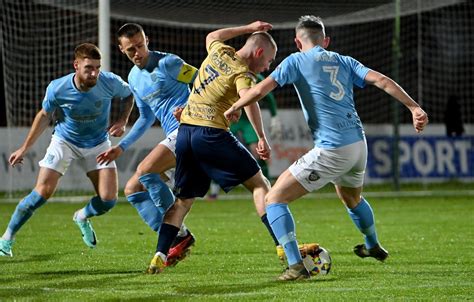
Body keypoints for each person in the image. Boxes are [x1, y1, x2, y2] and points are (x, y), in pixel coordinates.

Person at [224, 15, 429, 281]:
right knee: (352, 198)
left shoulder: (295, 61)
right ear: (326, 41)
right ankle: (372, 244)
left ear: (298, 42)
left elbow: (260, 90)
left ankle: (296, 267)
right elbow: (382, 80)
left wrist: (233, 107)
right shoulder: (344, 60)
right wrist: (414, 107)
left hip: (332, 149)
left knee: (273, 199)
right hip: (358, 145)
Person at [145, 21, 318, 274]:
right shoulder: (243, 73)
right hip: (211, 134)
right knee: (260, 185)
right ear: (259, 53)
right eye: (269, 61)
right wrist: (261, 136)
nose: (267, 66)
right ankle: (282, 246)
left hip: (185, 133)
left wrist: (249, 27)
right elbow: (251, 98)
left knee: (182, 200)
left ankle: (159, 255)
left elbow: (213, 33)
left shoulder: (220, 51)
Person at [0, 43, 134, 256]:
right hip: (65, 142)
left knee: (108, 200)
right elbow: (44, 116)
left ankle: (81, 216)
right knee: (41, 193)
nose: (94, 73)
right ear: (76, 65)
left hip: (98, 143)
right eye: (89, 68)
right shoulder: (58, 88)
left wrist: (122, 120)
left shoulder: (109, 82)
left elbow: (129, 95)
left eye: (97, 68)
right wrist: (24, 148)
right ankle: (6, 238)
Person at [96, 23, 198, 266]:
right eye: (131, 49)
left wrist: (191, 106)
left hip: (191, 130)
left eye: (140, 46)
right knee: (133, 189)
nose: (137, 53)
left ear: (147, 41)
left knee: (146, 172)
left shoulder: (169, 63)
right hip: (176, 136)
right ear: (122, 50)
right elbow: (145, 117)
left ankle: (177, 236)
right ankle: (180, 236)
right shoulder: (133, 77)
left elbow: (203, 80)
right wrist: (122, 146)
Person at [207, 73, 283, 200]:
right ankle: (214, 191)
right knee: (220, 152)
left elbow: (268, 96)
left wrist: (274, 116)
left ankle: (268, 186)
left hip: (248, 119)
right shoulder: (229, 73)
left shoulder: (254, 75)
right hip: (230, 117)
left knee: (258, 150)